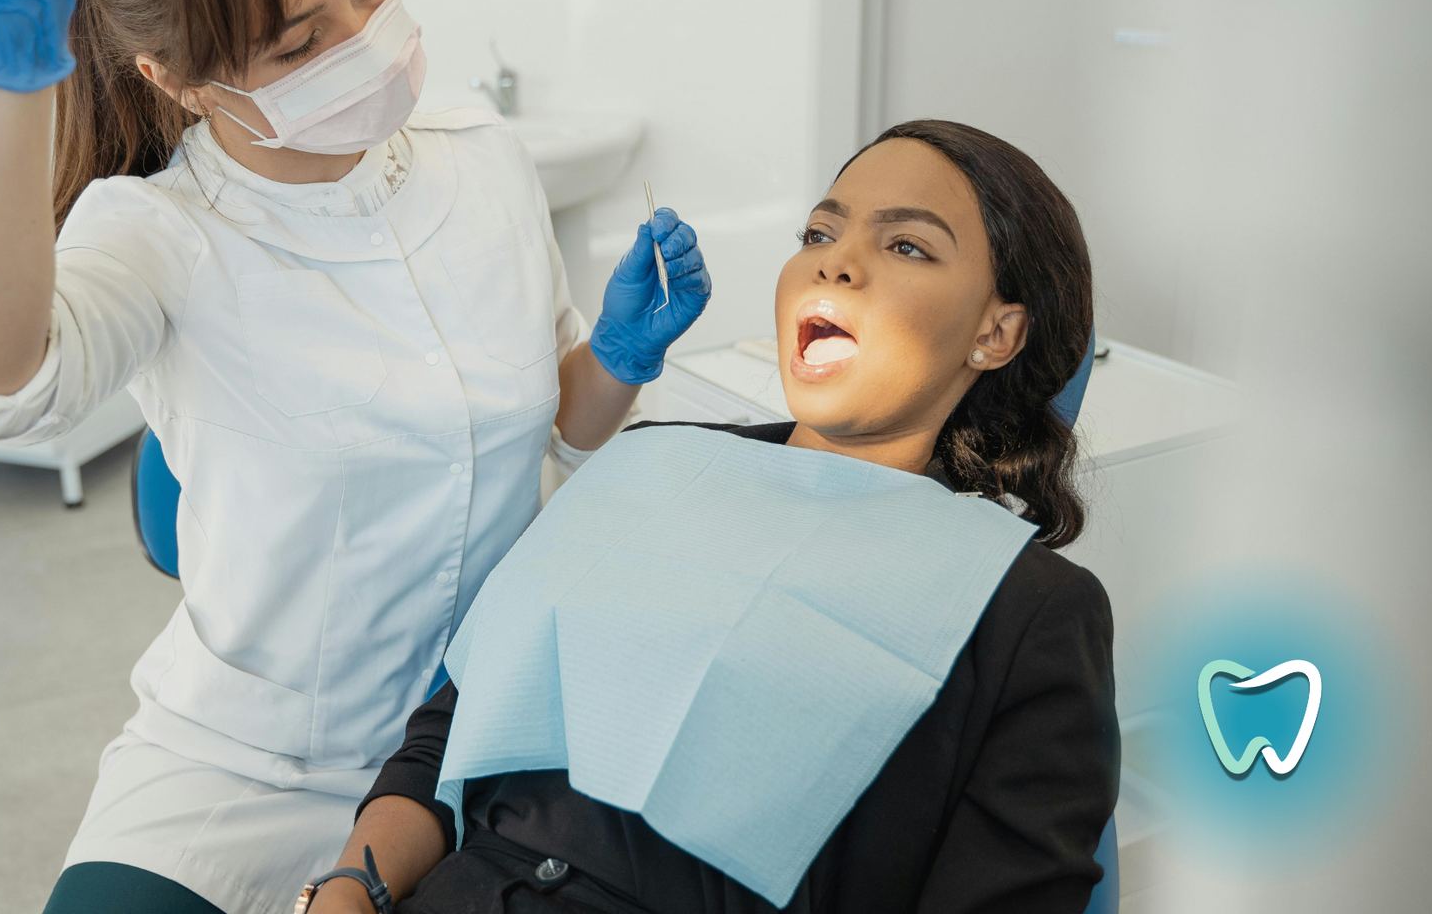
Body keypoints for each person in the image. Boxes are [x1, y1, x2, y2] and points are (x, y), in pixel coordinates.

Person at [0, 0, 710, 912]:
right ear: (174, 78)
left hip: (480, 738)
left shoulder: (481, 157)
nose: (367, 41)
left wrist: (611, 362)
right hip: (244, 766)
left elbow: (558, 427)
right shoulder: (158, 236)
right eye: (298, 44)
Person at [303, 120, 1116, 914]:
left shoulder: (1026, 610)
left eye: (906, 245)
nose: (837, 264)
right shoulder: (652, 462)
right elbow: (450, 731)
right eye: (819, 233)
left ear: (995, 331)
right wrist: (348, 892)